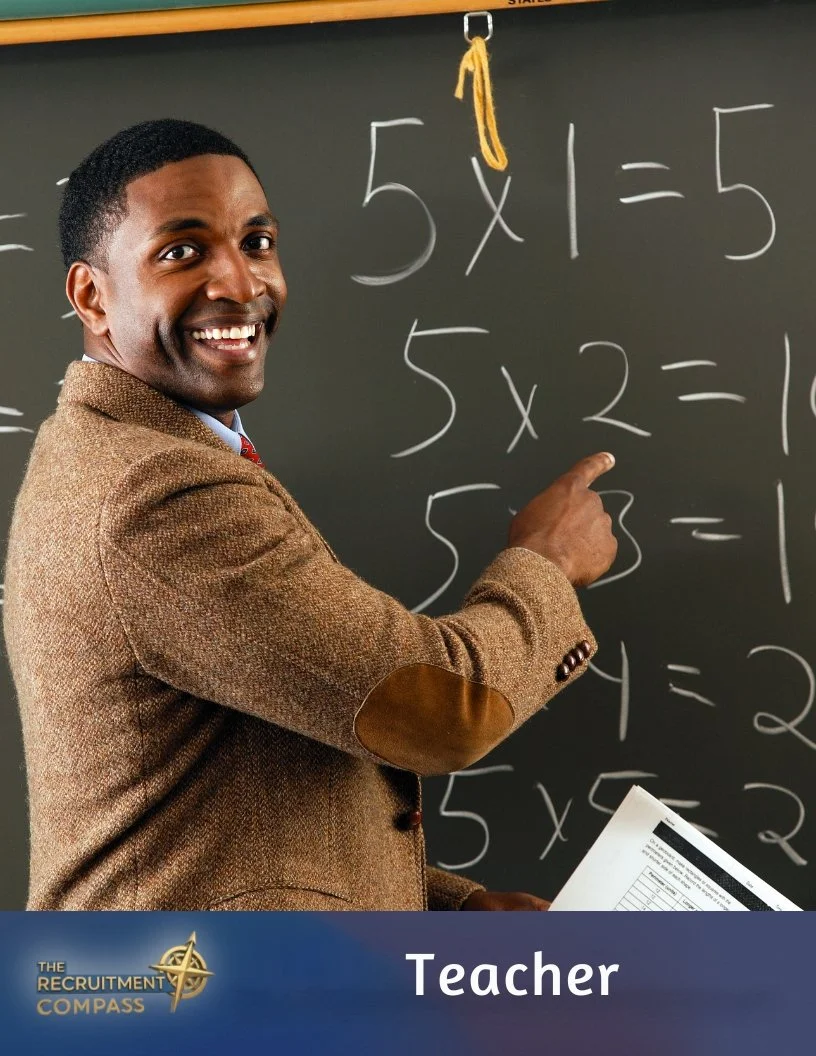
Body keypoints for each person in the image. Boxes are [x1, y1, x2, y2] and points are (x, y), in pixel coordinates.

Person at [3, 120, 617, 911]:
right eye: (183, 252)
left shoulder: (118, 451)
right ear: (92, 295)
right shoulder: (157, 497)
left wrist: (449, 909)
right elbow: (436, 711)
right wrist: (547, 564)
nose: (241, 282)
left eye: (256, 241)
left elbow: (226, 809)